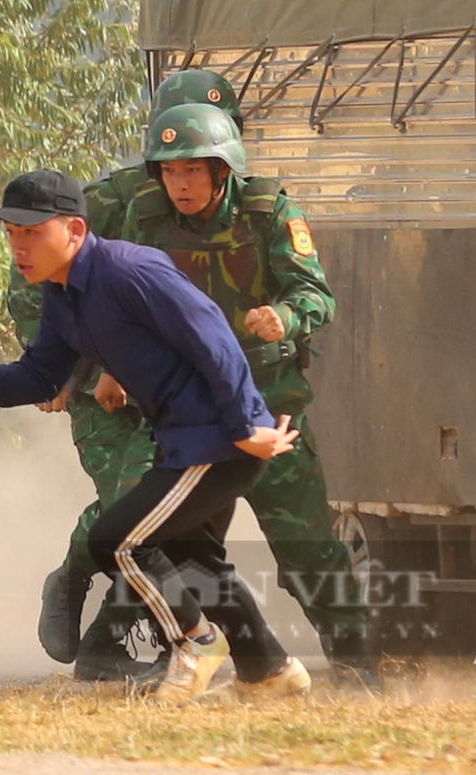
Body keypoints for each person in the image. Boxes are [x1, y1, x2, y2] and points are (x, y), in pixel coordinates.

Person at [0, 167, 311, 703]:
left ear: (76, 231)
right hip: (188, 440)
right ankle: (270, 670)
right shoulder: (64, 297)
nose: (19, 245)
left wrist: (248, 425)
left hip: (218, 440)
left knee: (117, 542)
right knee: (194, 561)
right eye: (11, 232)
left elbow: (213, 338)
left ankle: (194, 643)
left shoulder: (129, 272)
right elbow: (41, 377)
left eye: (32, 231)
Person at [131, 97, 375, 682]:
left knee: (307, 549)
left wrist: (285, 317)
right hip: (189, 416)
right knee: (171, 546)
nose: (179, 184)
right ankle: (210, 663)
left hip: (270, 411)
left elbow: (317, 294)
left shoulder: (269, 213)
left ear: (222, 170)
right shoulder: (144, 219)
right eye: (169, 170)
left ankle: (360, 669)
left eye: (192, 169)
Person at [20, 70, 248, 680]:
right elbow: (48, 285)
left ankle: (107, 646)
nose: (187, 167)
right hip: (110, 393)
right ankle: (72, 576)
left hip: (188, 397)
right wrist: (77, 368)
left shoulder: (247, 204)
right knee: (134, 506)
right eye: (173, 156)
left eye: (206, 146)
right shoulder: (113, 201)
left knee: (179, 524)